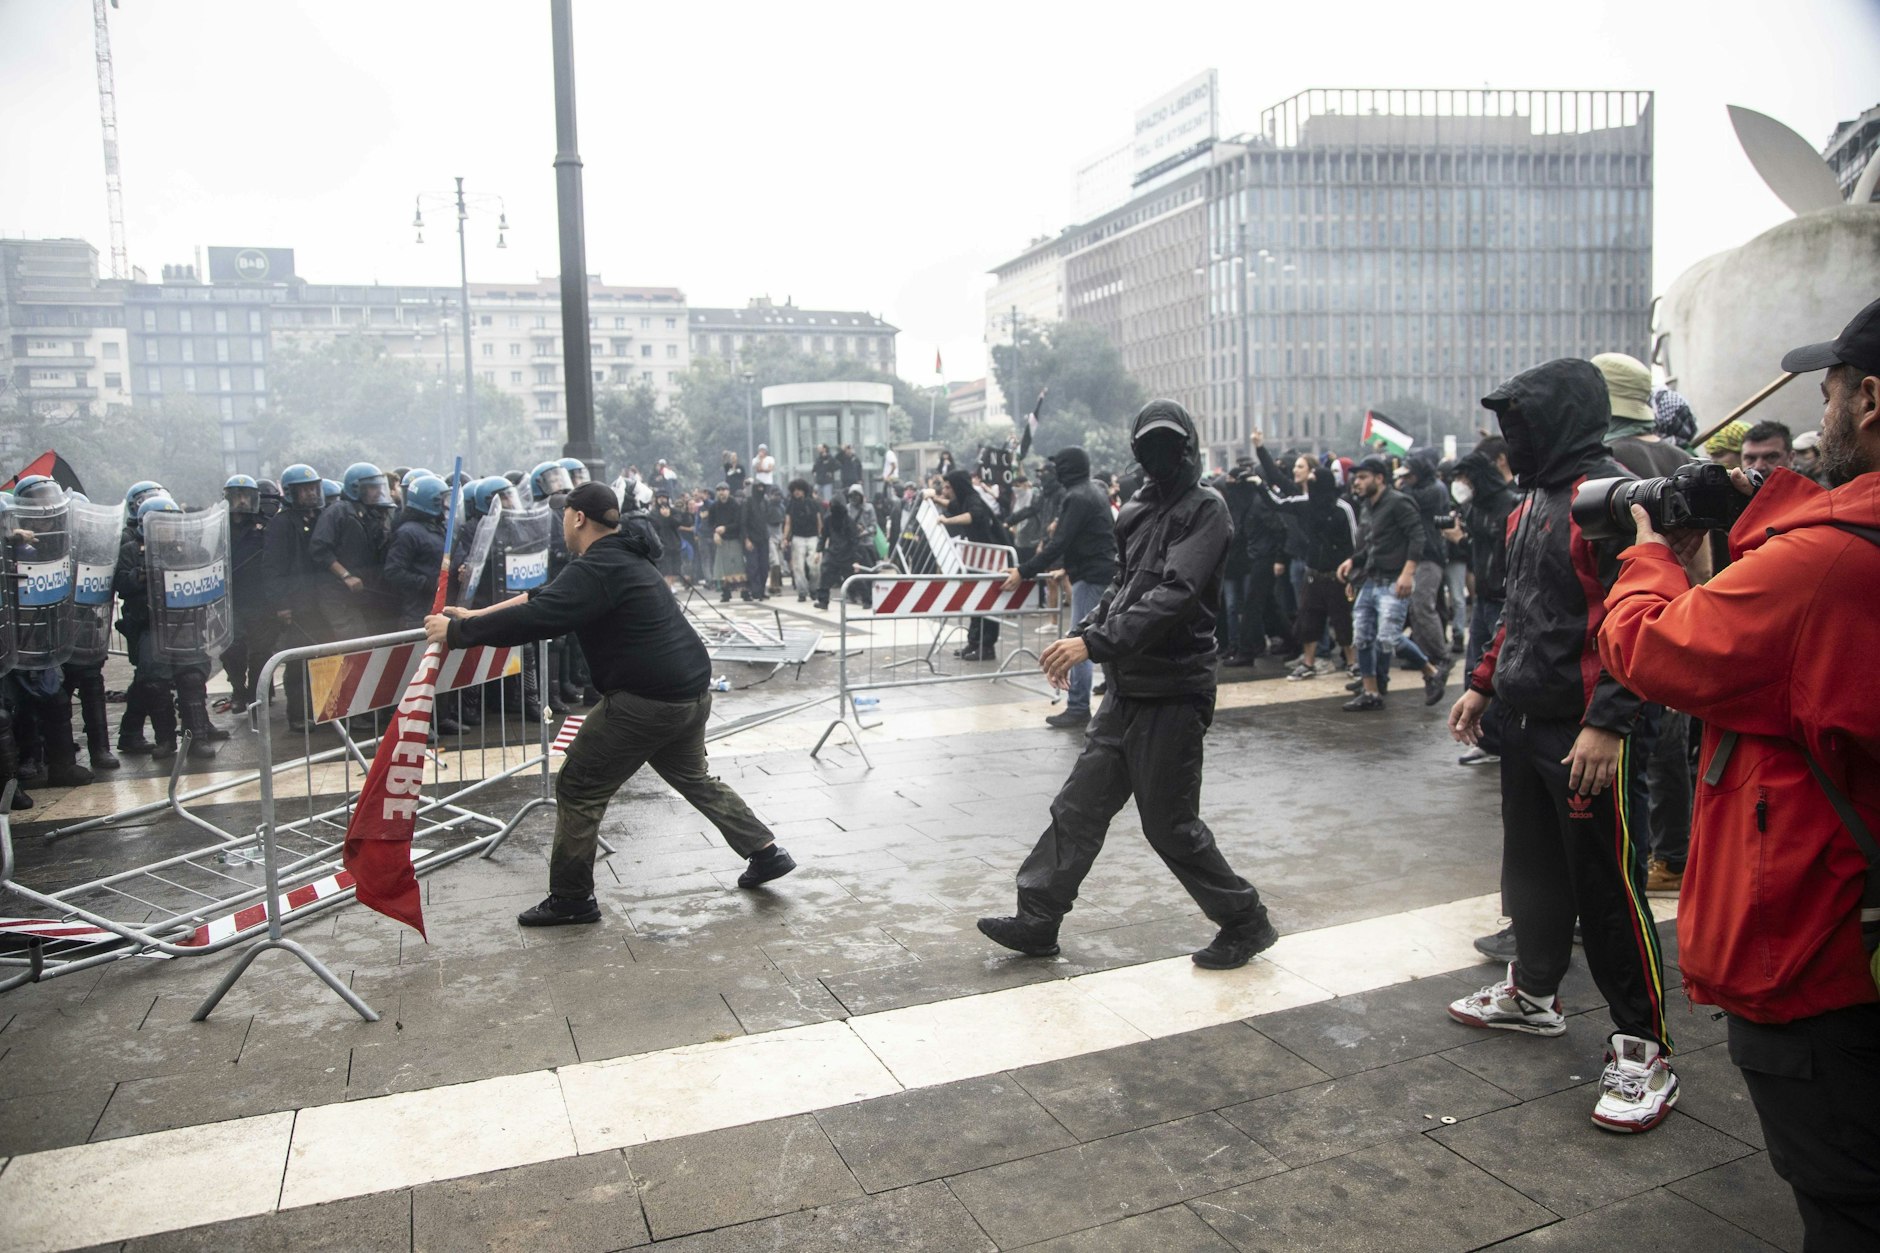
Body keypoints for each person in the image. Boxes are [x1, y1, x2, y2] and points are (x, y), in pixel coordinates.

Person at [1597, 300, 1880, 1242]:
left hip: (1827, 955)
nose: (1824, 413)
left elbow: (1655, 648)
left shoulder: (1833, 562)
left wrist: (1648, 556)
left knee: (1844, 1203)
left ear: (1869, 398)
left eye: (1831, 390)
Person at [1446, 357, 1673, 1135]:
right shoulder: (1529, 504)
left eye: (1522, 424)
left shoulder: (1608, 498)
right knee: (1533, 870)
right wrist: (1483, 682)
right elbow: (1520, 606)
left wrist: (1610, 719)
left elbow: (1639, 610)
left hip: (1588, 732)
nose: (1511, 440)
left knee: (1608, 890)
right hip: (1526, 720)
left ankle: (1643, 1046)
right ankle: (1533, 993)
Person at [977, 400, 1278, 970]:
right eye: (1151, 445)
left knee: (1170, 825)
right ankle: (1038, 916)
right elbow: (1123, 585)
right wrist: (1089, 630)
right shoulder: (1136, 508)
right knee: (1078, 807)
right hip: (1127, 688)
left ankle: (1245, 920)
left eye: (1170, 445)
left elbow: (1176, 593)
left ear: (1186, 446)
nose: (1161, 456)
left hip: (1174, 689)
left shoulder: (1206, 510)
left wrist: (1094, 643)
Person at [428, 481, 796, 926]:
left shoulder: (598, 567)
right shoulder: (619, 557)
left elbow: (540, 617)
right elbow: (545, 596)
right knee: (692, 777)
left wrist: (456, 636)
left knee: (580, 787)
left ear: (578, 518)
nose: (563, 521)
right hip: (690, 693)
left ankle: (571, 899)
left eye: (565, 514)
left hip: (647, 700)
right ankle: (765, 851)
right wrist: (474, 616)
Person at [1002, 446, 1116, 728]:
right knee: (1100, 640)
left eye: (1058, 467)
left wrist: (1023, 571)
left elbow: (1060, 543)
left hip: (1091, 576)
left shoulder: (1076, 497)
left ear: (1068, 468)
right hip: (1099, 572)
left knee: (1078, 642)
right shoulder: (1091, 491)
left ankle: (1078, 706)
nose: (1052, 474)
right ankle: (1114, 701)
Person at [1338, 456, 1449, 711]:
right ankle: (1371, 692)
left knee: (1388, 638)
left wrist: (1408, 573)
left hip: (1393, 579)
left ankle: (1431, 672)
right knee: (1363, 637)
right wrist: (1353, 563)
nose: (1358, 482)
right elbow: (1372, 545)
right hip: (1371, 578)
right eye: (1356, 478)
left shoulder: (1399, 502)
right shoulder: (1368, 506)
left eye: (1364, 477)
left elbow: (1417, 537)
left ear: (1379, 478)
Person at [1269, 452, 1356, 681]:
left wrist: (1352, 573)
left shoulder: (1342, 509)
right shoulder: (1305, 505)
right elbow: (1276, 503)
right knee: (1308, 619)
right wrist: (1258, 484)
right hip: (1313, 572)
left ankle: (1353, 662)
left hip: (1337, 575)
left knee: (1343, 621)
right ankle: (1308, 663)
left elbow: (1353, 543)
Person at [263, 464, 330, 732]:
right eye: (304, 490)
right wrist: (281, 604)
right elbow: (272, 568)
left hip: (321, 602)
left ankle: (324, 710)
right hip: (297, 603)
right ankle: (298, 714)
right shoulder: (280, 523)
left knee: (324, 659)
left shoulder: (321, 517)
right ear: (291, 493)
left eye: (313, 488)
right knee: (298, 664)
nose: (311, 494)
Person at [310, 462, 393, 643]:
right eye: (372, 488)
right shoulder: (338, 511)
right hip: (335, 594)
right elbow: (319, 548)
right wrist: (346, 576)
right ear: (356, 488)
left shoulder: (373, 514)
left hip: (359, 595)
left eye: (379, 487)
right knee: (353, 643)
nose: (377, 492)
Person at [936, 469, 1003, 660]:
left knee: (988, 602)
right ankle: (974, 642)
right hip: (979, 559)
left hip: (990, 559)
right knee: (975, 601)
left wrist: (947, 521)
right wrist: (936, 500)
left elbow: (972, 515)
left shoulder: (974, 499)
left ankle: (987, 645)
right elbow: (953, 505)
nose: (947, 490)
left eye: (950, 487)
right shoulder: (964, 499)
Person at [1398, 450, 1452, 673]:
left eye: (1409, 475)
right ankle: (1422, 654)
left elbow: (1411, 500)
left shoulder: (1434, 490)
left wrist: (1401, 488)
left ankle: (1440, 655)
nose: (1405, 480)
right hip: (1421, 554)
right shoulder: (1419, 487)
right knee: (1417, 607)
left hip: (1431, 555)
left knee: (1423, 606)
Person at [222, 475, 271, 713]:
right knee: (233, 647)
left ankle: (256, 693)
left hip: (259, 598)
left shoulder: (264, 524)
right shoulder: (218, 526)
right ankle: (238, 689)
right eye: (237, 496)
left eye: (246, 496)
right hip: (231, 599)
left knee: (262, 650)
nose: (242, 501)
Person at [704, 482, 745, 602]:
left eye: (724, 489)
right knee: (722, 568)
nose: (722, 492)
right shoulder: (714, 506)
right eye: (719, 490)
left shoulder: (735, 505)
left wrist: (726, 528)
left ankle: (744, 592)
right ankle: (726, 593)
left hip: (734, 538)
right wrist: (715, 533)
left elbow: (738, 523)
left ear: (728, 491)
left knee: (739, 566)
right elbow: (710, 524)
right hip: (721, 540)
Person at [781, 479, 821, 602]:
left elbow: (819, 521)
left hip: (813, 537)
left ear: (804, 490)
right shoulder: (790, 505)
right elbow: (788, 523)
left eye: (799, 490)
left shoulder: (813, 503)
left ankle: (814, 589)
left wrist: (821, 538)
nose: (797, 492)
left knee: (815, 565)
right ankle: (802, 591)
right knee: (798, 567)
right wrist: (785, 538)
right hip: (797, 537)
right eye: (794, 490)